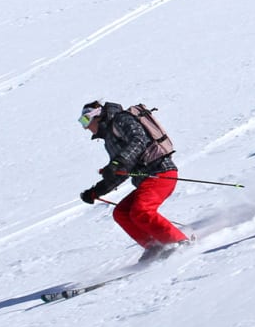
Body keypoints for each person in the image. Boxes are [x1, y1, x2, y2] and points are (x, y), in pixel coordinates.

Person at [79, 100, 190, 261]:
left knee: (141, 210)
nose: (85, 127)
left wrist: (119, 161)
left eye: (85, 120)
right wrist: (97, 190)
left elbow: (139, 139)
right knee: (122, 213)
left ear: (97, 116)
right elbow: (121, 172)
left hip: (160, 171)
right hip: (146, 180)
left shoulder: (121, 119)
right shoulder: (109, 139)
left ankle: (177, 242)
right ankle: (155, 246)